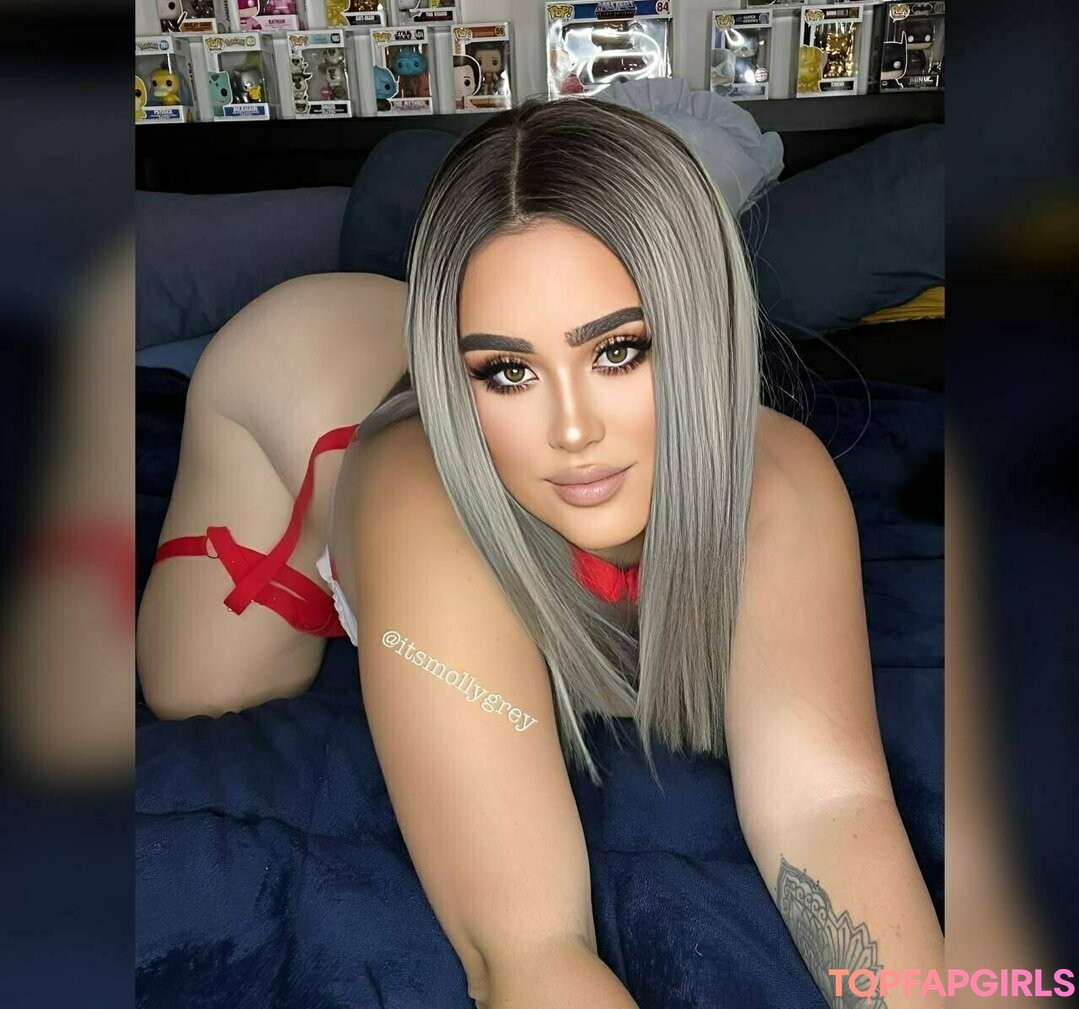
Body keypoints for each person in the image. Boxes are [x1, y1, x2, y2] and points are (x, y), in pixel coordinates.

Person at [137, 97, 943, 1008]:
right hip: (294, 390)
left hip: (409, 375)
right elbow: (522, 950)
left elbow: (830, 807)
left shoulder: (781, 480)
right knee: (199, 692)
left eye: (620, 350)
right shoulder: (427, 507)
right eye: (507, 371)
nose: (572, 430)